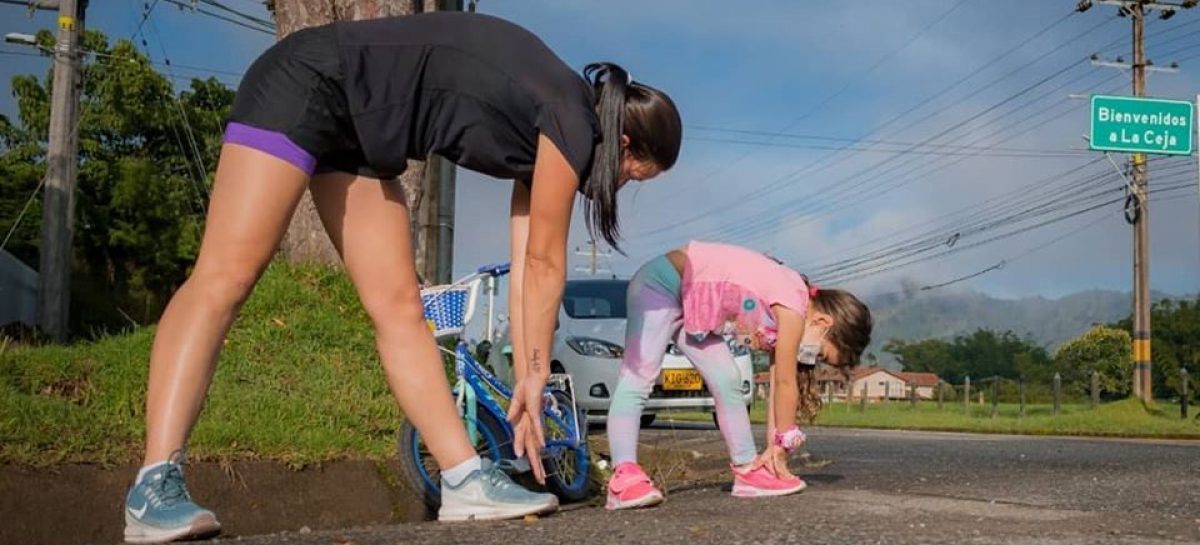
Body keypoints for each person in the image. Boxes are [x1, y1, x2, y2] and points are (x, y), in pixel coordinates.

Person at [123, 12, 681, 543]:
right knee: (226, 276)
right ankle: (153, 485)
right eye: (636, 175)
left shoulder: (556, 126)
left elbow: (527, 270)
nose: (624, 185)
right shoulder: (571, 118)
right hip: (308, 81)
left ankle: (462, 479)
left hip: (360, 134)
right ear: (624, 144)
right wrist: (536, 373)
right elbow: (544, 263)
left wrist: (527, 379)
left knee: (401, 308)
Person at [603, 241, 871, 510]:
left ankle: (748, 470)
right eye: (821, 354)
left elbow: (777, 388)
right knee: (639, 375)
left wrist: (774, 452)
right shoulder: (792, 306)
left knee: (727, 379)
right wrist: (785, 441)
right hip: (659, 285)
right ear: (823, 323)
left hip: (692, 305)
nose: (813, 359)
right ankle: (623, 478)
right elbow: (786, 382)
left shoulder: (790, 305)